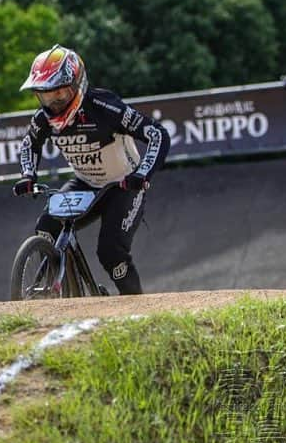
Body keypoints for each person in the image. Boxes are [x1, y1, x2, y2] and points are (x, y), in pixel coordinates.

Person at [13, 45, 170, 295]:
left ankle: (138, 308)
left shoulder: (105, 107)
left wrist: (142, 174)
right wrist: (28, 175)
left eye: (60, 94)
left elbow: (157, 134)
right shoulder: (43, 120)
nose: (53, 104)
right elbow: (30, 143)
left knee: (111, 252)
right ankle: (61, 291)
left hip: (121, 185)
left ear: (78, 85)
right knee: (46, 227)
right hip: (85, 182)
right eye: (45, 96)